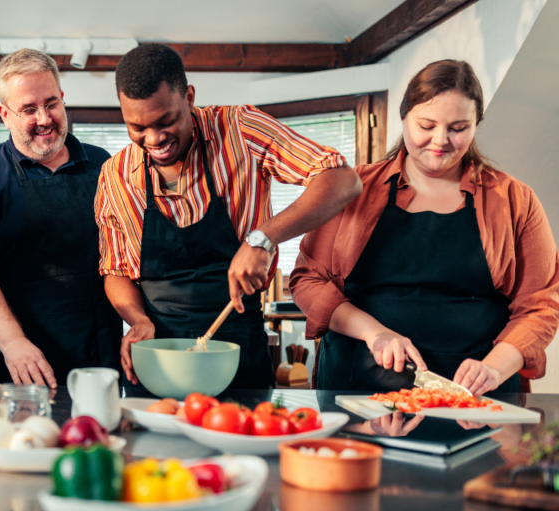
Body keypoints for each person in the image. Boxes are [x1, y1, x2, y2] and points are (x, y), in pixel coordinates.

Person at [96, 44, 362, 394]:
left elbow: (343, 179)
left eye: (166, 121)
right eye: (138, 127)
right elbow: (116, 269)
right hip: (158, 359)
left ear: (189, 97)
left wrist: (263, 237)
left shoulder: (241, 129)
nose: (154, 139)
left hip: (239, 352)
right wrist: (137, 319)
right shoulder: (115, 175)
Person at [290, 60, 559, 396]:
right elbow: (307, 280)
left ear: (476, 124)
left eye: (458, 127)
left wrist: (495, 367)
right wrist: (374, 333)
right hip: (358, 385)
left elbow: (540, 304)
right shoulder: (352, 189)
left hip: (477, 394)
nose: (440, 140)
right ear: (403, 118)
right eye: (426, 125)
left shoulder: (514, 199)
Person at [0, 48, 123, 388]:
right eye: (28, 109)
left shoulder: (104, 167)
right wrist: (13, 343)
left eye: (51, 103)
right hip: (12, 365)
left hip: (97, 362)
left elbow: (125, 256)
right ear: (4, 114)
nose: (44, 118)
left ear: (63, 99)